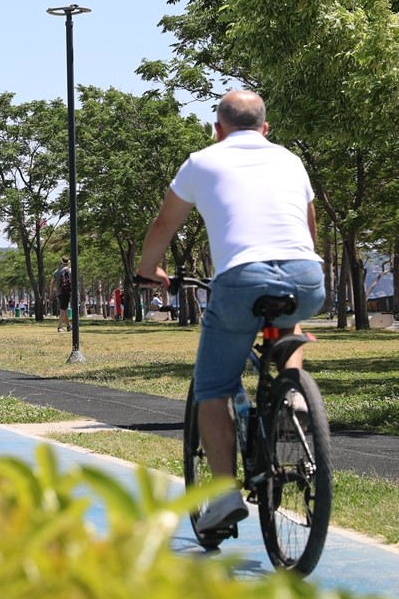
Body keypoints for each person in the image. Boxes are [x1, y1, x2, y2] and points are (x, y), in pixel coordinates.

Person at [137, 89, 324, 533]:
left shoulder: (202, 160)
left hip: (242, 279)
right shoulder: (290, 160)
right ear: (266, 128)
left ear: (217, 130)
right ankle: (293, 393)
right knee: (287, 316)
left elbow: (165, 223)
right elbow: (309, 223)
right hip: (306, 275)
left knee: (214, 386)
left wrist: (149, 269)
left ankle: (223, 498)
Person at [51, 256, 72, 332]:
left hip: (59, 292)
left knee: (64, 308)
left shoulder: (56, 271)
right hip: (66, 292)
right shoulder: (69, 270)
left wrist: (51, 293)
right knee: (63, 309)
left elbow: (52, 282)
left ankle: (68, 326)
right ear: (68, 262)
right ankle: (59, 327)